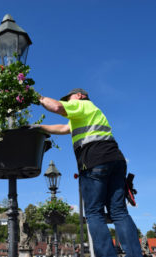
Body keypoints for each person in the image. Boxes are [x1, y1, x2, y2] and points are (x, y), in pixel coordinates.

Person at [38, 88, 142, 257]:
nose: (69, 102)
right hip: (116, 160)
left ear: (79, 96)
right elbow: (63, 128)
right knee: (119, 212)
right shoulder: (88, 114)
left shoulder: (82, 105)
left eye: (69, 99)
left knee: (94, 212)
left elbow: (56, 107)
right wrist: (40, 127)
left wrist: (39, 98)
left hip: (95, 160)